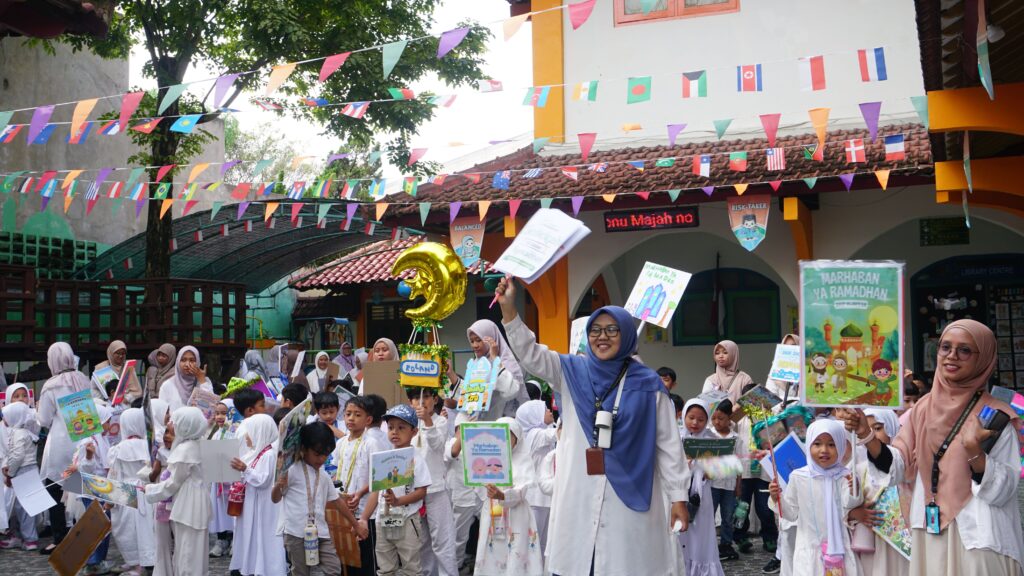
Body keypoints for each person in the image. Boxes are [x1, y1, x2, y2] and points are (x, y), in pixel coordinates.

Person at [494, 277, 690, 576]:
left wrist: (678, 497)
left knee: (628, 565)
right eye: (596, 330)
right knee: (579, 561)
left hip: (631, 493)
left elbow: (668, 446)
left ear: (625, 335)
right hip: (579, 491)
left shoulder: (648, 384)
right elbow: (532, 355)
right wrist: (509, 310)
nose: (603, 336)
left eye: (613, 330)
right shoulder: (571, 371)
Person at [841, 319, 1024, 575]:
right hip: (931, 530)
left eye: (964, 350)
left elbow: (1004, 489)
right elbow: (898, 466)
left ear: (982, 358)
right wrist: (866, 434)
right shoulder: (923, 409)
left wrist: (974, 452)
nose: (952, 356)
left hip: (979, 535)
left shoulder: (994, 415)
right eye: (945, 347)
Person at [769, 419, 861, 576]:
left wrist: (855, 489)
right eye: (817, 444)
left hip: (840, 548)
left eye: (831, 445)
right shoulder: (798, 477)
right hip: (809, 549)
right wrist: (776, 497)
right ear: (809, 444)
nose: (824, 450)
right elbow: (791, 513)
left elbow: (849, 506)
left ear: (840, 446)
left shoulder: (845, 475)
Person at [272, 422, 366, 576]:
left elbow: (337, 502)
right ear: (303, 449)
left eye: (326, 454)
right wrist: (278, 485)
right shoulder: (292, 471)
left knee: (333, 568)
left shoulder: (323, 476)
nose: (322, 458)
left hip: (320, 532)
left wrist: (356, 525)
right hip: (295, 532)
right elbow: (275, 499)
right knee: (301, 571)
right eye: (317, 454)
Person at [458, 416, 544, 576]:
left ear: (517, 438)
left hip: (516, 516)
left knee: (516, 550)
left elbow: (522, 490)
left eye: (509, 435)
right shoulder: (486, 460)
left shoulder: (522, 461)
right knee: (491, 551)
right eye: (500, 436)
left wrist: (502, 495)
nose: (505, 440)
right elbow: (477, 484)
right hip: (491, 512)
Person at [360, 405, 431, 576]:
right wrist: (363, 518)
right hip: (383, 517)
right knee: (385, 565)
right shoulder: (384, 457)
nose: (394, 432)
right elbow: (376, 490)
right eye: (391, 427)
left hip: (407, 518)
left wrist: (399, 501)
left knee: (411, 565)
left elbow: (422, 491)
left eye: (401, 428)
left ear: (414, 431)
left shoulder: (416, 458)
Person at [144, 407, 213, 576]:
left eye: (176, 422)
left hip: (187, 503)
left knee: (187, 553)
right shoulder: (201, 444)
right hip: (199, 499)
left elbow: (173, 483)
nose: (172, 425)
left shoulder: (185, 450)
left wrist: (149, 489)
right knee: (195, 550)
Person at [37, 341, 91, 554]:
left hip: (60, 441)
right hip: (82, 437)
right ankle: (84, 533)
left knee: (54, 488)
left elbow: (43, 419)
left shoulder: (51, 385)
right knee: (79, 488)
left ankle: (59, 538)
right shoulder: (82, 379)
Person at [848, 408, 909, 576]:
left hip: (904, 545)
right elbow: (842, 506)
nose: (871, 434)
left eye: (877, 428)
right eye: (866, 429)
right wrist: (855, 513)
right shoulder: (858, 469)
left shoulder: (909, 468)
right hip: (873, 545)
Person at [229, 413, 286, 576]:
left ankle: (268, 568)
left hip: (264, 505)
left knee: (265, 536)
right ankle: (254, 566)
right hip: (255, 503)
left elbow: (263, 480)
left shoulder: (268, 455)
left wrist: (244, 469)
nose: (247, 438)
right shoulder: (258, 453)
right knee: (255, 536)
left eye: (250, 433)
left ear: (259, 432)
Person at [333, 396, 384, 576]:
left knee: (364, 558)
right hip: (343, 508)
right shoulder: (340, 443)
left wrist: (360, 493)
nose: (351, 418)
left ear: (368, 420)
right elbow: (336, 472)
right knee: (345, 558)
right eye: (348, 414)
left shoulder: (371, 443)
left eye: (357, 414)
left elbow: (379, 479)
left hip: (364, 511)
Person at [409, 388, 458, 576]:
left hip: (436, 490)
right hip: (414, 492)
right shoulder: (408, 423)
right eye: (414, 398)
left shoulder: (441, 421)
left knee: (443, 542)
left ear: (434, 399)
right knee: (421, 543)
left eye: (426, 397)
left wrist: (428, 421)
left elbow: (437, 445)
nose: (420, 401)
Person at [678, 398, 726, 576]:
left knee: (700, 534)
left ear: (707, 421)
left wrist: (708, 470)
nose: (695, 423)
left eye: (700, 419)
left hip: (702, 496)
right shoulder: (676, 437)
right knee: (680, 530)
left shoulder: (712, 440)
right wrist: (685, 463)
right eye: (691, 417)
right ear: (684, 416)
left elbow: (718, 472)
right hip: (679, 493)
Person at [108, 408, 156, 576]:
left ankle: (135, 563)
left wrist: (110, 499)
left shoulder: (118, 449)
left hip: (125, 491)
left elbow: (114, 475)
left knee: (127, 529)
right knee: (147, 528)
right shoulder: (149, 446)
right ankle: (146, 561)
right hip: (146, 490)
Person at [446, 320, 525, 420]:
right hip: (479, 427)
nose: (474, 345)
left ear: (492, 339)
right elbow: (470, 396)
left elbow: (511, 392)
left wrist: (495, 360)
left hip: (503, 427)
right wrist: (451, 373)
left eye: (478, 340)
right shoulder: (476, 364)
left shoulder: (505, 362)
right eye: (472, 341)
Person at [515, 399, 557, 555]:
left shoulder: (541, 430)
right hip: (535, 498)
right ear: (534, 415)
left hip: (544, 496)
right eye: (545, 409)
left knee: (544, 544)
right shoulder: (533, 435)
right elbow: (554, 434)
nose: (549, 411)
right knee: (534, 543)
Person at [1, 402, 40, 551]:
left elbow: (18, 455)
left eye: (6, 416)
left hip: (22, 470)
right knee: (30, 505)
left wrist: (10, 472)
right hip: (30, 469)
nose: (4, 420)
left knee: (23, 507)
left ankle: (30, 539)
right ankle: (29, 537)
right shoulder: (25, 432)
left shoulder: (18, 433)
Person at [709, 399, 742, 562]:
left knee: (727, 516)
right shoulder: (709, 435)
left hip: (729, 484)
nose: (716, 422)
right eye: (714, 418)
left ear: (730, 417)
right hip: (712, 483)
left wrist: (738, 485)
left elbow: (738, 463)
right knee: (709, 514)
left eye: (721, 418)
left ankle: (726, 544)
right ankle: (708, 544)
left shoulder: (736, 438)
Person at [207, 401, 235, 558]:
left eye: (224, 413)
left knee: (233, 510)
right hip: (218, 480)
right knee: (219, 510)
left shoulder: (236, 432)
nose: (220, 417)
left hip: (231, 481)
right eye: (217, 413)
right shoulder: (215, 434)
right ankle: (221, 539)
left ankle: (233, 539)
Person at [158, 346, 214, 412]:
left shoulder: (204, 382)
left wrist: (202, 381)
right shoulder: (167, 386)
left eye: (192, 360)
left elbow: (210, 409)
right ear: (178, 362)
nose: (187, 364)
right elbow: (162, 412)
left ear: (198, 362)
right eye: (183, 360)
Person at [92, 339, 129, 404]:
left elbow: (136, 391)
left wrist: (125, 399)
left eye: (123, 353)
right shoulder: (101, 368)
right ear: (111, 353)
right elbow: (93, 389)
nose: (120, 356)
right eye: (117, 353)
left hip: (124, 404)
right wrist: (105, 401)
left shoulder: (128, 368)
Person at [765, 334, 801, 399]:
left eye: (793, 346)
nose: (790, 350)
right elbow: (769, 398)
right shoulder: (775, 372)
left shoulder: (807, 372)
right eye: (786, 347)